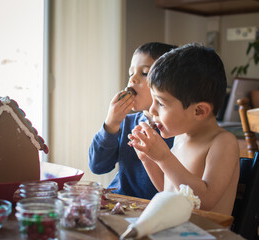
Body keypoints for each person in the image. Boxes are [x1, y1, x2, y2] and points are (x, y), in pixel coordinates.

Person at [128, 43, 240, 215]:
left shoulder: (223, 143)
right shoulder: (181, 138)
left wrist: (164, 158)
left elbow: (205, 201)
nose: (152, 110)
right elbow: (170, 192)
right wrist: (148, 160)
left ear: (199, 111)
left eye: (161, 103)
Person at [89, 42, 176, 199]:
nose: (132, 79)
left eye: (144, 73)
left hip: (153, 208)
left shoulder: (176, 129)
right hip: (120, 202)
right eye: (131, 73)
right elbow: (97, 166)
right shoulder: (126, 122)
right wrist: (111, 124)